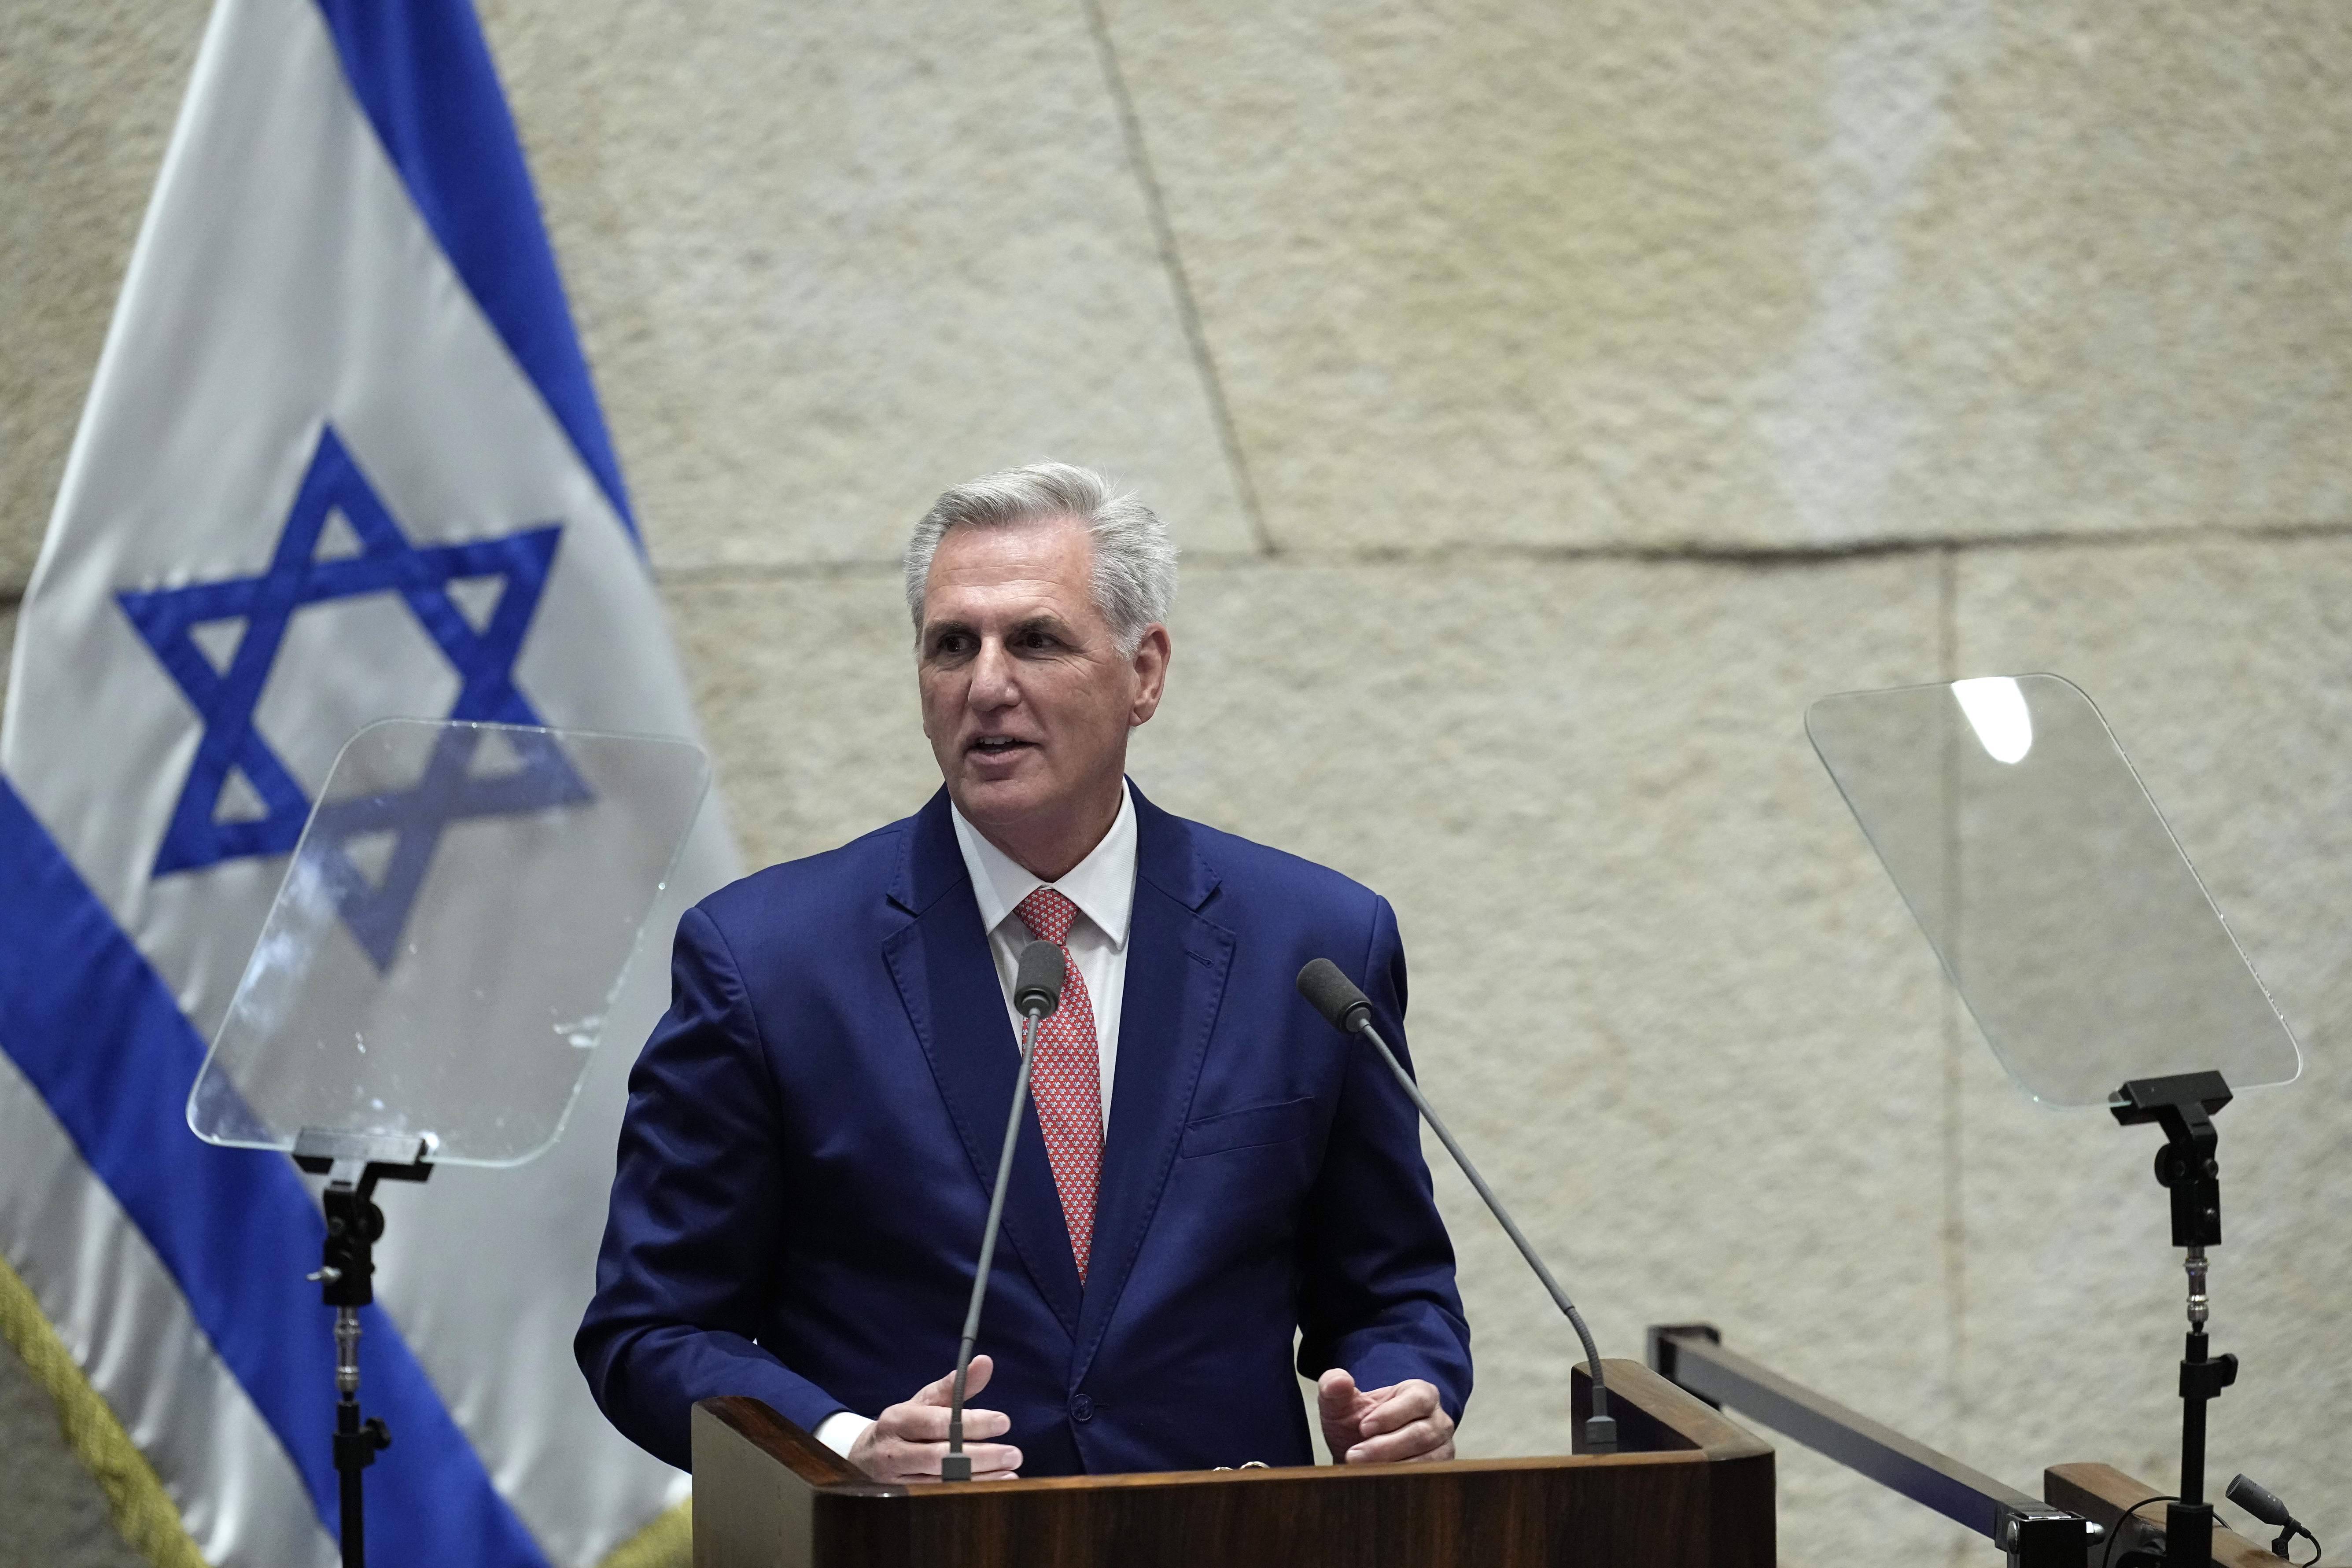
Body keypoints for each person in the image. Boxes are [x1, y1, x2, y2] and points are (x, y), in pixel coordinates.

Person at [576, 464, 1470, 1480]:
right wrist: (847, 1446)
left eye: (1036, 640)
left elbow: (1392, 1288)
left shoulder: (1312, 944)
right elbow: (650, 1330)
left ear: (1144, 672)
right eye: (952, 644)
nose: (986, 684)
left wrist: (1405, 1391)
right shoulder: (768, 959)